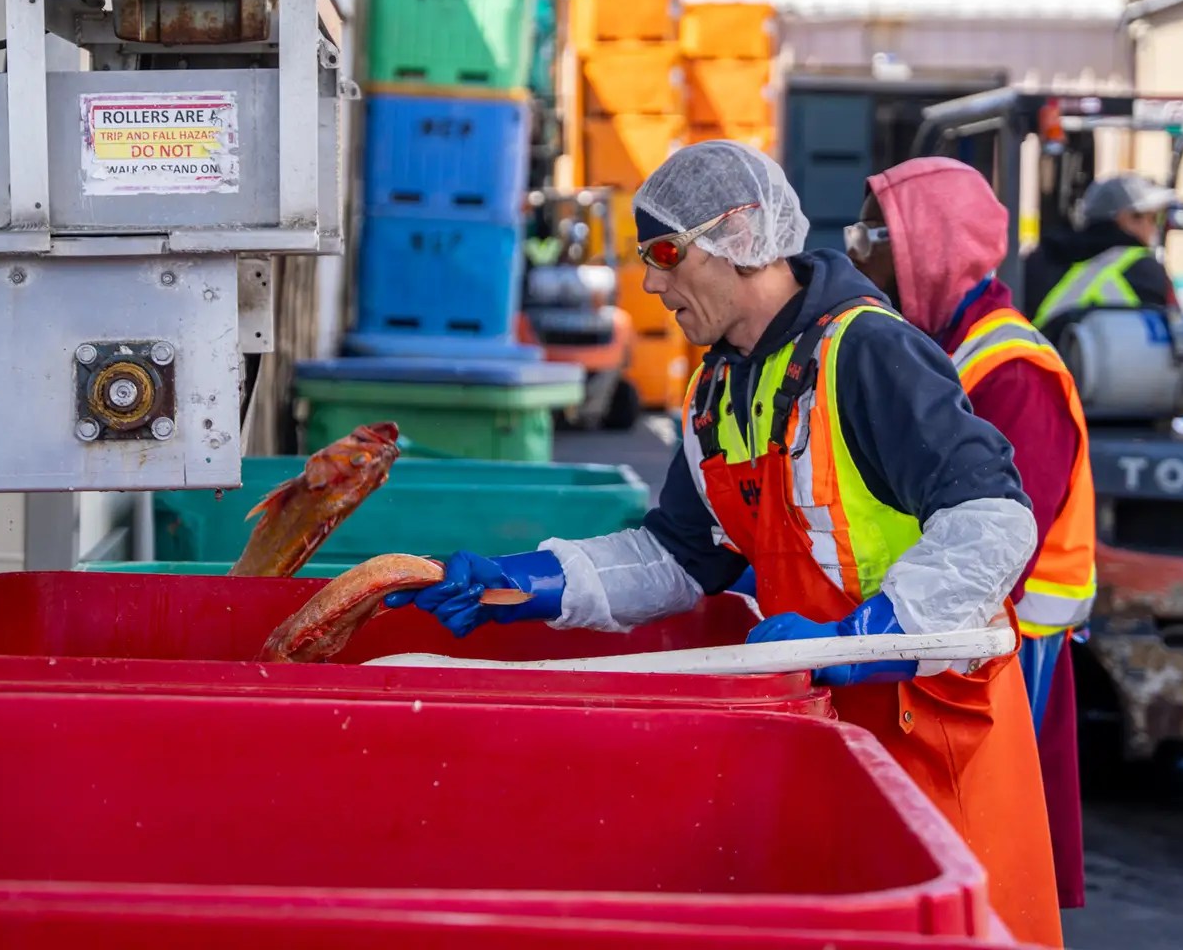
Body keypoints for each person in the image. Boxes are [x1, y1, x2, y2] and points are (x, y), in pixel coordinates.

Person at [387, 141, 1063, 947]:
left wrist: (873, 634)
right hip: (829, 726)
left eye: (666, 253)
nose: (650, 284)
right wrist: (530, 583)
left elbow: (995, 516)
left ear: (740, 236)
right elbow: (678, 554)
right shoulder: (719, 388)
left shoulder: (868, 353)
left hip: (934, 736)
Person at [848, 156, 1094, 913]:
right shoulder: (949, 351)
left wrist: (885, 627)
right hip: (967, 637)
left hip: (1009, 652)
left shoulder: (1012, 369)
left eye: (874, 232)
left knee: (991, 858)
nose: (858, 253)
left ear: (930, 244)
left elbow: (998, 549)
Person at [1024, 172, 1178, 330]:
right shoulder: (1143, 267)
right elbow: (1171, 333)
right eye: (1154, 218)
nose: (1155, 228)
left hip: (1040, 353)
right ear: (1128, 219)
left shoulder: (1041, 257)